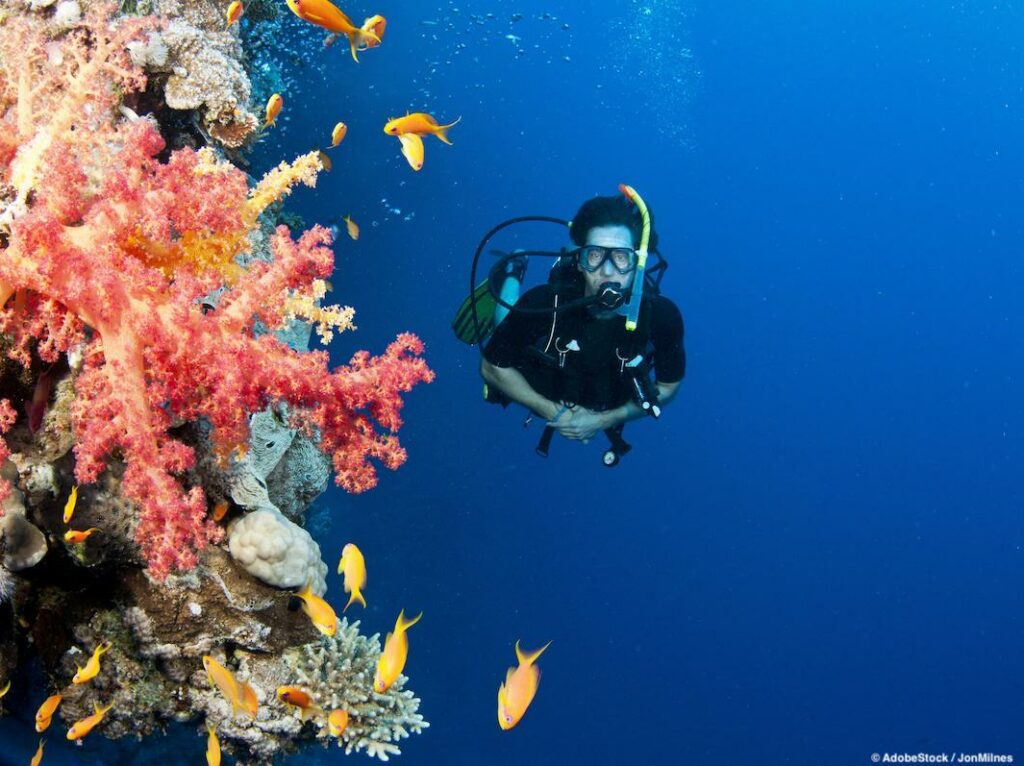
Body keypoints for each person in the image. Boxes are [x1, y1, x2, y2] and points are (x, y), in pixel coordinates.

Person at [479, 193, 685, 451]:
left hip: (608, 400)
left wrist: (603, 420)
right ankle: (514, 271)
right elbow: (492, 367)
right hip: (545, 385)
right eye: (595, 255)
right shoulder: (544, 303)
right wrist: (555, 413)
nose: (607, 272)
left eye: (621, 257)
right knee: (504, 326)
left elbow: (668, 386)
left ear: (638, 264)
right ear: (580, 261)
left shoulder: (661, 317)